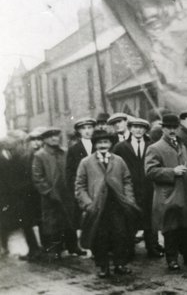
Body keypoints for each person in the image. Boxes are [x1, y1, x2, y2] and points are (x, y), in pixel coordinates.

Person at [75, 130, 140, 278]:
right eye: (99, 143)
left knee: (120, 234)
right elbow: (80, 186)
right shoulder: (86, 162)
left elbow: (127, 180)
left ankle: (120, 264)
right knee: (100, 237)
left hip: (117, 205)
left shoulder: (118, 160)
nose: (103, 145)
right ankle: (103, 266)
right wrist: (88, 204)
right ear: (95, 145)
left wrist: (129, 199)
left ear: (111, 144)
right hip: (98, 206)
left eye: (106, 142)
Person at [145, 114, 187, 270]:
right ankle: (171, 259)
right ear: (163, 129)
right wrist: (172, 172)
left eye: (174, 127)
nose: (172, 130)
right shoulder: (155, 148)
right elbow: (150, 171)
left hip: (185, 192)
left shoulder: (182, 145)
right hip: (169, 194)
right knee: (171, 228)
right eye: (168, 128)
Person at [112, 117, 164, 258]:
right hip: (130, 188)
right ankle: (128, 249)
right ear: (130, 129)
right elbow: (115, 168)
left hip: (149, 187)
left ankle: (152, 247)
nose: (138, 130)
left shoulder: (152, 145)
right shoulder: (120, 147)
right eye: (135, 127)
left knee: (150, 219)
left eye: (141, 127)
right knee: (129, 218)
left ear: (146, 130)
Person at [32, 127, 85, 258]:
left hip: (66, 193)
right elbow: (37, 177)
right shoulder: (40, 155)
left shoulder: (65, 152)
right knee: (53, 223)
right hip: (51, 195)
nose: (54, 139)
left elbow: (72, 170)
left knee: (70, 220)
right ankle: (56, 249)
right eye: (50, 137)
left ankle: (73, 246)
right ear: (44, 139)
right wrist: (48, 192)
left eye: (56, 136)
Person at [0, 130, 42, 261]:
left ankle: (35, 250)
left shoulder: (24, 156)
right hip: (19, 195)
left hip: (24, 194)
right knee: (27, 223)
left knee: (28, 223)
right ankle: (34, 249)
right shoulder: (20, 155)